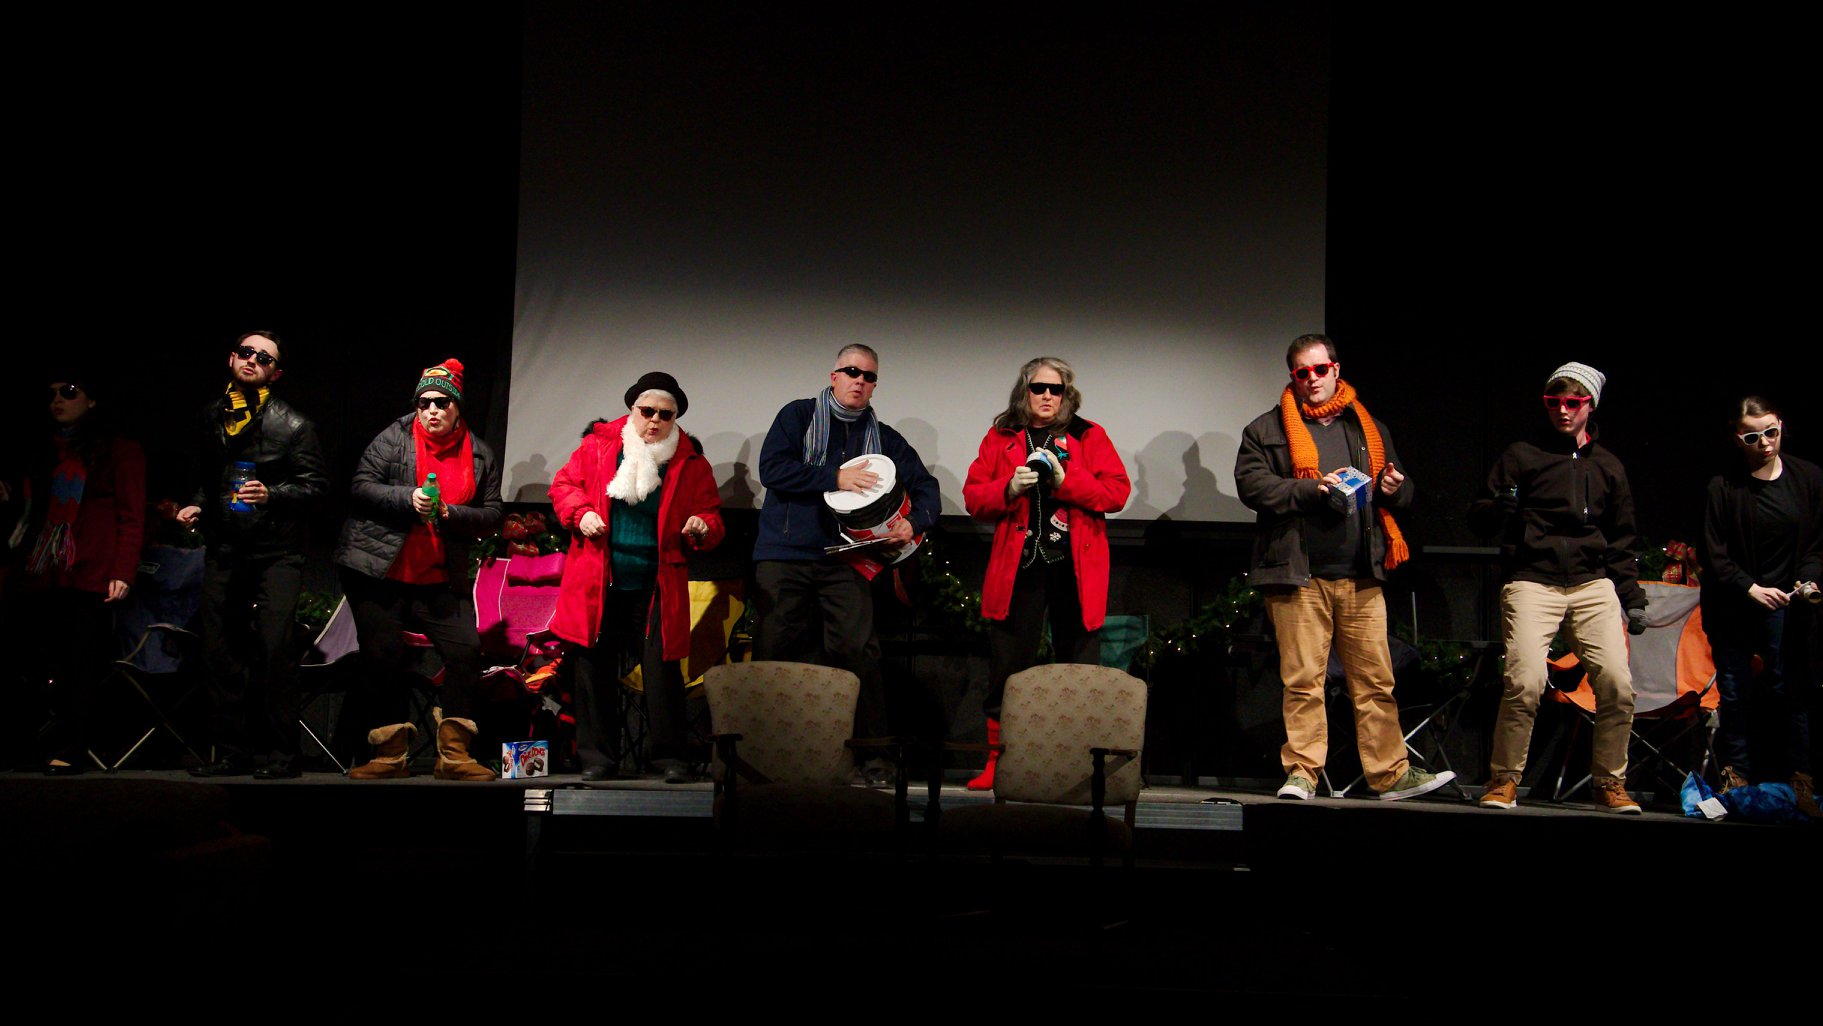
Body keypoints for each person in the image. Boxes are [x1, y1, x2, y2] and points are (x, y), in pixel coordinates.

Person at [1235, 333, 1452, 802]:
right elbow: (1252, 486)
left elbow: (1402, 488)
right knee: (1303, 682)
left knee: (1375, 680)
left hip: (1361, 574)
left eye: (1320, 370)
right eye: (1302, 373)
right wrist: (1311, 489)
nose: (1312, 379)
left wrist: (1395, 488)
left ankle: (1390, 775)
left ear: (1335, 369)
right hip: (1298, 575)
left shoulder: (1366, 426)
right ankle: (1302, 774)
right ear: (1293, 376)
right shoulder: (1266, 429)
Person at [751, 344, 940, 783]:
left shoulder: (885, 439)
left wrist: (914, 522)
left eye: (869, 376)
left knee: (859, 654)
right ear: (833, 375)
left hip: (847, 560)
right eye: (852, 371)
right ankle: (761, 758)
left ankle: (875, 759)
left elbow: (926, 487)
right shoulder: (798, 416)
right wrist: (834, 477)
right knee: (774, 652)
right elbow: (772, 469)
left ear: (874, 386)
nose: (860, 380)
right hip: (784, 556)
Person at [1468, 361, 1646, 813]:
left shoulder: (1608, 466)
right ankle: (1504, 779)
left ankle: (1609, 782)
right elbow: (1480, 519)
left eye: (1572, 402)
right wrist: (1501, 509)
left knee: (1617, 684)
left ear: (1590, 405)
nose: (1563, 410)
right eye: (1554, 402)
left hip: (1591, 584)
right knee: (1525, 680)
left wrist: (1632, 598)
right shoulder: (1522, 455)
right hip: (1533, 580)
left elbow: (1622, 539)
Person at [960, 356, 1130, 791]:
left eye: (1057, 389)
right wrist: (1007, 488)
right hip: (1019, 569)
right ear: (1025, 391)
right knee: (1008, 668)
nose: (1048, 396)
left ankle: (1077, 765)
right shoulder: (1001, 436)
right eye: (1039, 388)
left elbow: (1116, 492)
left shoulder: (1088, 435)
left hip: (1075, 569)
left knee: (1078, 670)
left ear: (1067, 394)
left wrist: (1066, 481)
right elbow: (974, 498)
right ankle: (999, 763)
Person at [549, 372, 725, 783]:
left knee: (662, 671)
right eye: (647, 411)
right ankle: (598, 758)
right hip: (600, 577)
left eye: (665, 414)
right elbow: (564, 486)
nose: (655, 421)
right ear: (633, 410)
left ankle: (669, 757)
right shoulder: (598, 447)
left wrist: (702, 525)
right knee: (593, 668)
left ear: (675, 418)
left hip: (657, 582)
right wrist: (581, 513)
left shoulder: (690, 461)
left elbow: (712, 514)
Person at [333, 358, 503, 781]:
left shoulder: (479, 453)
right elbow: (361, 486)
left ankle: (455, 756)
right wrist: (407, 497)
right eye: (424, 402)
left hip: (439, 576)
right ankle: (389, 755)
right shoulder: (393, 438)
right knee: (383, 656)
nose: (432, 410)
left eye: (442, 402)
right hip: (379, 570)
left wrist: (450, 513)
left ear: (457, 407)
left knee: (465, 651)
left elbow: (493, 514)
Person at [179, 330, 329, 779]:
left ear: (275, 373)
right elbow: (208, 478)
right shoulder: (212, 415)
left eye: (264, 358)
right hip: (226, 548)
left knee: (274, 648)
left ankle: (284, 755)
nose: (253, 361)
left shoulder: (293, 425)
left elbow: (316, 488)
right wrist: (197, 504)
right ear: (232, 358)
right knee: (219, 650)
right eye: (247, 353)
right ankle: (231, 752)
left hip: (276, 552)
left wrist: (272, 494)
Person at [2, 373, 145, 774]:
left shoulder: (119, 451)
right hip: (39, 568)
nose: (58, 401)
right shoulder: (42, 450)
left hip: (88, 568)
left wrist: (122, 570)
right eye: (51, 394)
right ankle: (23, 744)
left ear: (93, 400)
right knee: (27, 659)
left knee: (79, 663)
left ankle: (73, 746)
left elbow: (131, 515)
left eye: (69, 392)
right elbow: (29, 510)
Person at [1698, 396, 1819, 817]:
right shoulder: (1723, 486)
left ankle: (1801, 779)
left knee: (1791, 690)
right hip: (1734, 603)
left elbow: (1816, 542)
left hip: (1787, 603)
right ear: (1738, 438)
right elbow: (1712, 553)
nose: (1765, 442)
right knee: (1735, 693)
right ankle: (1737, 777)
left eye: (1771, 432)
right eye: (1753, 437)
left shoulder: (1808, 478)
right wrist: (1749, 587)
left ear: (1781, 425)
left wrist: (1808, 579)